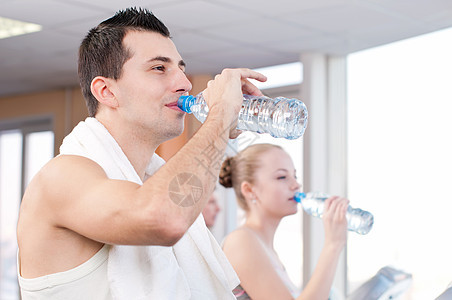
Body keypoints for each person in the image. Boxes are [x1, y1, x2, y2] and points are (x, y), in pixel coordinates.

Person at [16, 7, 267, 300]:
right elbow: (165, 219)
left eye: (181, 68)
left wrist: (222, 126)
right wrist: (220, 118)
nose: (184, 83)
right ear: (107, 92)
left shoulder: (147, 182)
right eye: (159, 68)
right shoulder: (61, 177)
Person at [220, 143, 349, 300]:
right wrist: (333, 245)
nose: (296, 185)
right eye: (282, 177)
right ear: (249, 190)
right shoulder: (241, 241)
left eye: (294, 176)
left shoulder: (268, 251)